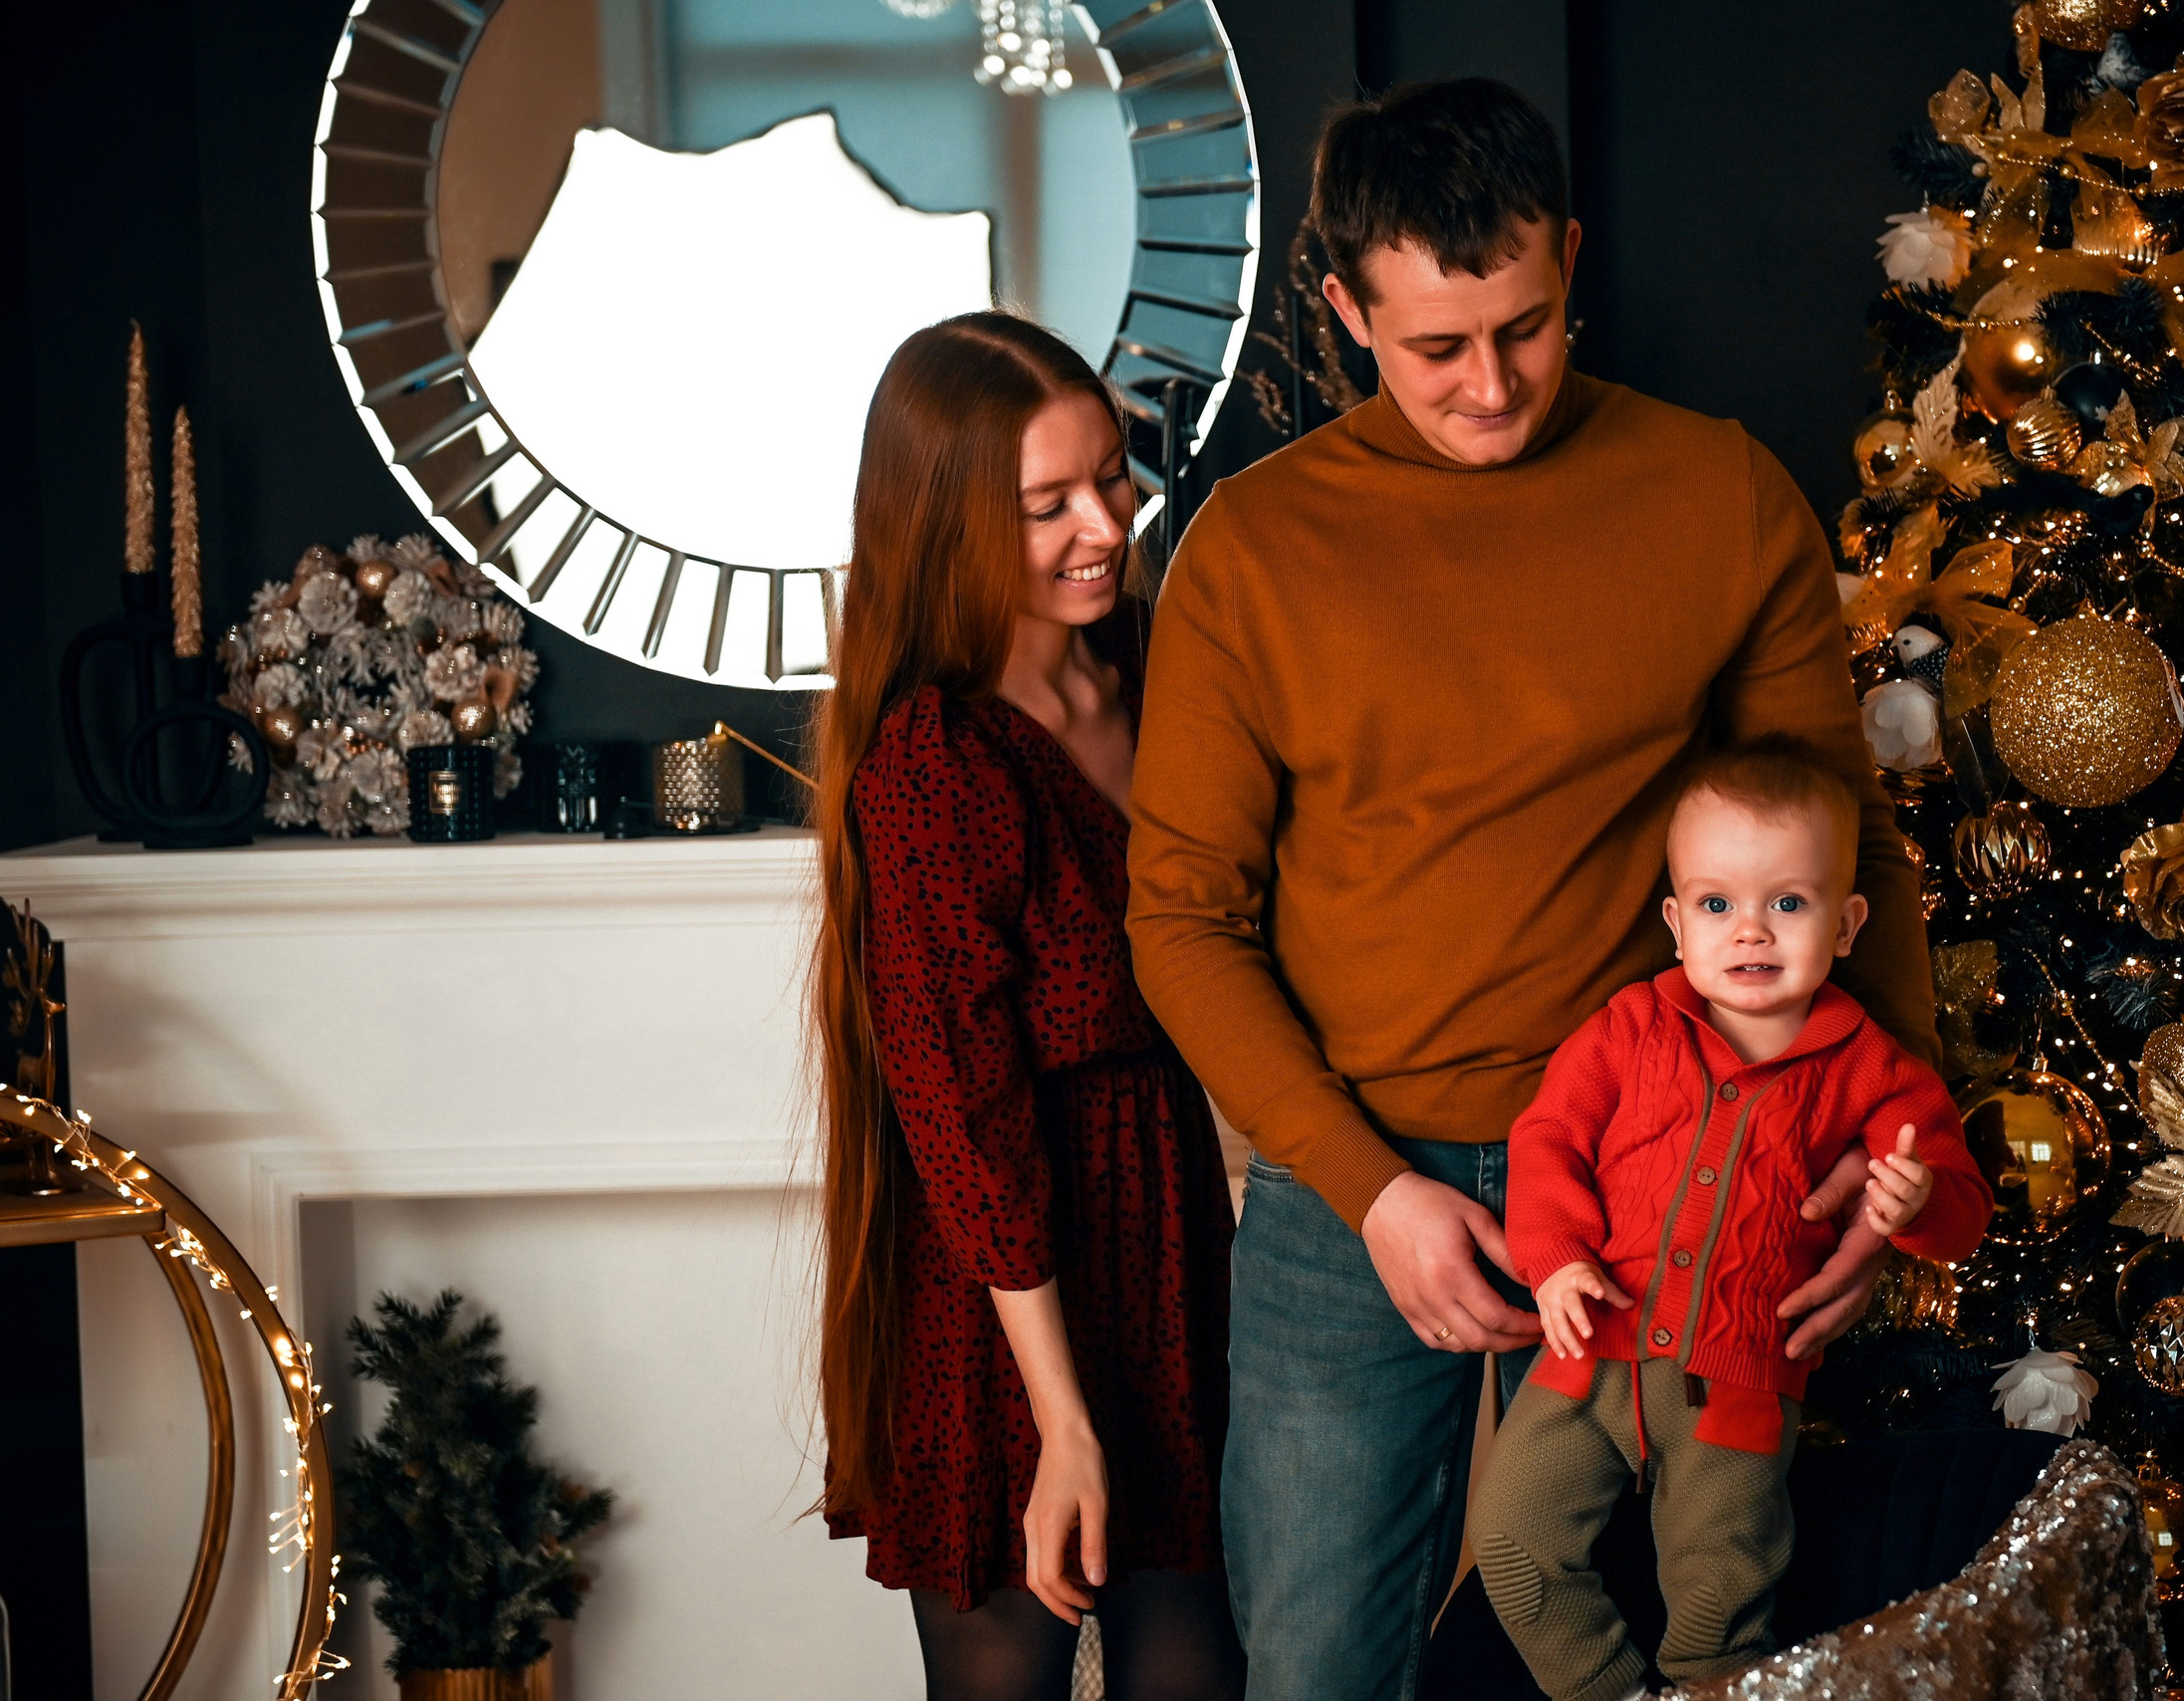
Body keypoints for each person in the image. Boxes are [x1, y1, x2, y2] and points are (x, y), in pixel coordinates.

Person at [1123, 79, 1943, 1701]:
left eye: (1526, 326)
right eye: (1437, 346)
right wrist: (1373, 1190)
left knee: (1691, 1631)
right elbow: (1181, 919)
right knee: (1311, 1664)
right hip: (1354, 1182)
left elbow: (1834, 832)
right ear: (1348, 308)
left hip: (1673, 1158)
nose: (1490, 384)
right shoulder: (1254, 549)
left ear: (1570, 262)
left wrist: (1889, 1130)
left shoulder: (1716, 494)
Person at [810, 312, 1245, 1701]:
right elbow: (966, 1124)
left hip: (1173, 1258)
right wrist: (1059, 1418)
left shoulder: (1156, 675)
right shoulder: (935, 762)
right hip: (1011, 1309)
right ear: (942, 526)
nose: (1102, 525)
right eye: (1044, 503)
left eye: (1110, 479)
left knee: (1202, 1678)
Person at [1470, 741, 1992, 1701]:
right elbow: (1546, 1140)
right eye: (1717, 904)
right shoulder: (1629, 1028)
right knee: (1512, 1544)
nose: (1750, 931)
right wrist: (1553, 1260)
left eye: (1786, 904)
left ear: (1845, 924)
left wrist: (1914, 1204)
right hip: (1589, 1350)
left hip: (1739, 1386)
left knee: (1720, 1605)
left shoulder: (1868, 1067)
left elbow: (1958, 1201)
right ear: (1676, 922)